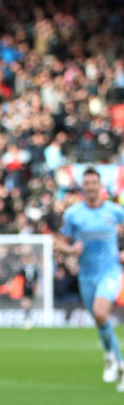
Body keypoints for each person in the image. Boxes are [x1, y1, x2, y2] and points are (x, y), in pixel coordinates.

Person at [56, 167, 124, 389]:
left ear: (101, 186)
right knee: (100, 319)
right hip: (86, 276)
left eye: (95, 182)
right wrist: (70, 250)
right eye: (87, 183)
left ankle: (115, 361)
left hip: (110, 272)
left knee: (100, 312)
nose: (91, 186)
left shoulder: (114, 211)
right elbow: (60, 243)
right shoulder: (74, 214)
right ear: (83, 187)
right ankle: (113, 358)